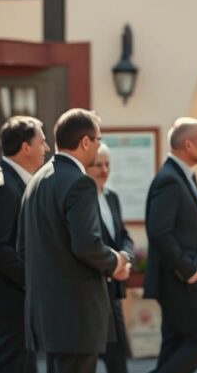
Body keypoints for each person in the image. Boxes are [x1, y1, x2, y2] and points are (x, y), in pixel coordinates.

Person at [18, 109, 131, 373]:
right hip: (76, 314)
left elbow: (23, 250)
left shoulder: (35, 181)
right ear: (85, 142)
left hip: (46, 310)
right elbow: (86, 245)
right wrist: (115, 261)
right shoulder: (80, 183)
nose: (99, 145)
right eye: (98, 139)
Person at [0, 116, 49, 373]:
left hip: (14, 295)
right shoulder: (4, 186)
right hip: (10, 298)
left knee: (24, 365)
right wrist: (32, 278)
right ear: (25, 147)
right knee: (10, 365)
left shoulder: (9, 180)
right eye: (42, 142)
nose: (46, 149)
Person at [144, 118, 197, 373]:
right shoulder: (169, 180)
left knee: (175, 343)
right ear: (188, 145)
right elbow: (159, 232)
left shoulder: (181, 176)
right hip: (180, 279)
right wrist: (188, 270)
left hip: (184, 276)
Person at [88, 143, 136, 373]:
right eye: (98, 165)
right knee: (88, 356)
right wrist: (113, 265)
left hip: (114, 290)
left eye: (107, 165)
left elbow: (123, 236)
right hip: (91, 289)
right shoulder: (82, 200)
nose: (104, 170)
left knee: (117, 356)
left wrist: (125, 259)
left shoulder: (112, 197)